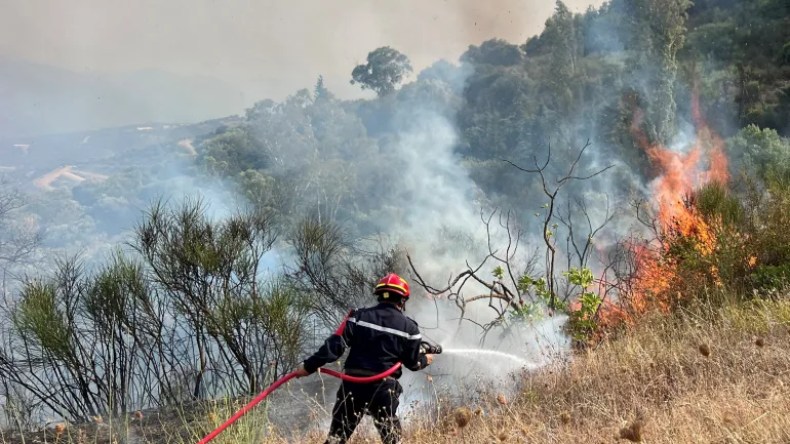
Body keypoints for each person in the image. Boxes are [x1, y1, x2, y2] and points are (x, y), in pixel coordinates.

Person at [293, 272, 434, 444]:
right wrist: (425, 359)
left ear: (379, 295)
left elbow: (335, 346)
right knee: (392, 440)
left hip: (353, 385)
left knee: (336, 439)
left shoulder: (357, 316)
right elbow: (412, 363)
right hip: (383, 389)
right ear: (402, 300)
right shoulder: (409, 328)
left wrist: (308, 367)